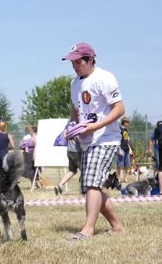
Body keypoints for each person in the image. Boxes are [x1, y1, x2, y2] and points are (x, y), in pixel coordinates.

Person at [62, 42, 125, 239]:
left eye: (78, 61)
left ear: (90, 60)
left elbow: (119, 109)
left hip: (106, 138)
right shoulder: (75, 83)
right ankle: (117, 227)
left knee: (92, 183)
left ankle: (87, 230)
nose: (74, 65)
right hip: (87, 141)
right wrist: (70, 128)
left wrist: (95, 126)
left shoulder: (105, 78)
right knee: (92, 185)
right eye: (72, 62)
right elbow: (76, 110)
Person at [117, 117, 132, 182]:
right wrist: (119, 149)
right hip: (121, 149)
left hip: (126, 149)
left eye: (128, 122)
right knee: (120, 165)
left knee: (126, 165)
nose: (128, 123)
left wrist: (130, 148)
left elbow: (126, 140)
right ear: (124, 122)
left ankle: (125, 178)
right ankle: (118, 178)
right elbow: (117, 140)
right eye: (127, 122)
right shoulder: (119, 130)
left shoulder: (126, 130)